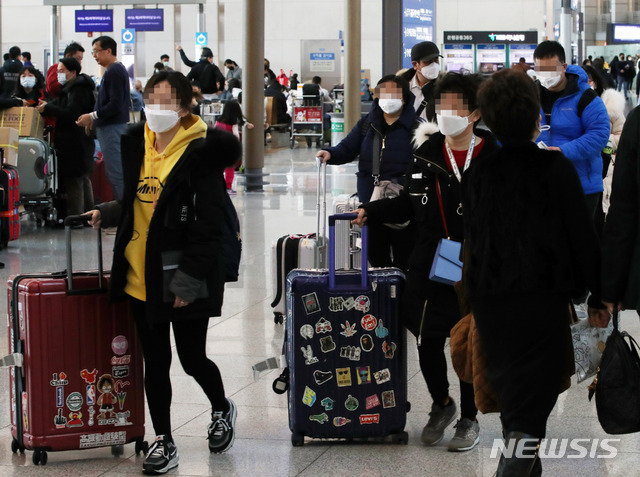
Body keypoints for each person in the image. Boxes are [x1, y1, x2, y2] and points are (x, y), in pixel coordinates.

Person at [84, 71, 242, 475]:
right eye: (150, 99)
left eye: (166, 101)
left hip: (186, 276)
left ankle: (222, 408)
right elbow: (136, 198)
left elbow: (209, 228)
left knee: (191, 359)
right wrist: (107, 211)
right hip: (142, 275)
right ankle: (164, 440)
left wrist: (187, 283)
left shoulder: (202, 153)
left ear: (185, 107)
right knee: (154, 362)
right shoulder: (138, 141)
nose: (155, 108)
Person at [463, 68, 608, 477]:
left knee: (512, 386)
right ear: (534, 119)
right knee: (537, 389)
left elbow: (472, 241)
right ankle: (515, 462)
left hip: (491, 300)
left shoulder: (478, 174)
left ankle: (522, 459)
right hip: (542, 298)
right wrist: (598, 295)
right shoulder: (554, 170)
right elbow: (583, 236)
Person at [353, 72, 498, 451]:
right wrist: (372, 209)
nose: (446, 112)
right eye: (441, 105)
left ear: (475, 113)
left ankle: (469, 417)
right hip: (436, 257)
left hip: (479, 261)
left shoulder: (494, 156)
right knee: (428, 337)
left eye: (456, 106)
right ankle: (442, 403)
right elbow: (408, 201)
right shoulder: (427, 153)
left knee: (467, 340)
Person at [316, 75, 418, 269]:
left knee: (406, 259)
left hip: (403, 205)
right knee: (376, 258)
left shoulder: (416, 127)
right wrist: (329, 153)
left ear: (404, 98)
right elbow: (347, 148)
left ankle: (402, 294)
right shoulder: (367, 124)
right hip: (372, 202)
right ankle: (385, 293)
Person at [534, 40, 610, 215]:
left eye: (551, 69)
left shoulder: (586, 97)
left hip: (581, 184)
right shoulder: (530, 94)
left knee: (578, 239)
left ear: (564, 66)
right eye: (540, 70)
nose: (545, 75)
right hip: (539, 181)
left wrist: (563, 151)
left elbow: (599, 134)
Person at [36, 57, 95, 216]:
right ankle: (89, 215)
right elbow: (61, 104)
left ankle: (77, 217)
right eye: (57, 71)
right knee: (82, 179)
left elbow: (72, 113)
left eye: (62, 71)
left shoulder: (78, 89)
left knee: (74, 180)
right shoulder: (71, 88)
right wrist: (47, 106)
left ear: (73, 72)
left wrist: (49, 108)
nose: (58, 74)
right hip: (77, 141)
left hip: (75, 141)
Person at [76, 36, 130, 202]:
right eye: (93, 52)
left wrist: (91, 116)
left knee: (117, 174)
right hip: (110, 127)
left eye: (97, 51)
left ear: (108, 50)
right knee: (114, 173)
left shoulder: (114, 71)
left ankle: (125, 216)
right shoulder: (114, 70)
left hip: (113, 129)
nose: (94, 55)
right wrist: (95, 120)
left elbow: (114, 104)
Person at [214, 100, 254, 194]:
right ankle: (228, 187)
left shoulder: (219, 120)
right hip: (229, 147)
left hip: (218, 146)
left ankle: (218, 186)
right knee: (230, 168)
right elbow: (235, 136)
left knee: (219, 168)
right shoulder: (233, 123)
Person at [400, 41, 442, 121]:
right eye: (428, 61)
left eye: (436, 60)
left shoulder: (445, 87)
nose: (434, 65)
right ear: (415, 65)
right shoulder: (402, 87)